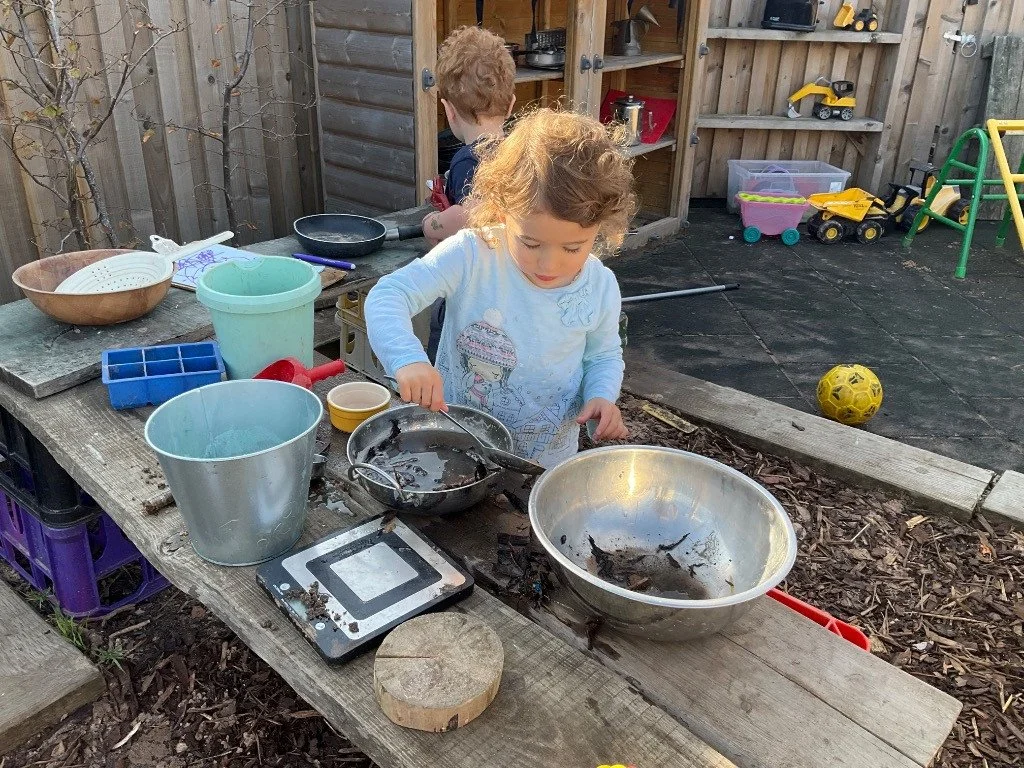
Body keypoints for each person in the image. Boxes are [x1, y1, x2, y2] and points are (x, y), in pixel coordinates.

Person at [365, 109, 635, 469]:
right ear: (501, 208)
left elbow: (602, 356)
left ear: (600, 228)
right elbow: (388, 296)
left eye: (573, 248)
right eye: (530, 243)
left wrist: (601, 396)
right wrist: (408, 360)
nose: (548, 265)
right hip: (459, 442)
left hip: (545, 459)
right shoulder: (473, 254)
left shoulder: (600, 286)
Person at [422, 26, 516, 362]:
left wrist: (433, 223)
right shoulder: (518, 153)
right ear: (511, 104)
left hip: (470, 289)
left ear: (447, 110)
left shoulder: (470, 158)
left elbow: (472, 215)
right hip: (511, 286)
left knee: (448, 351)